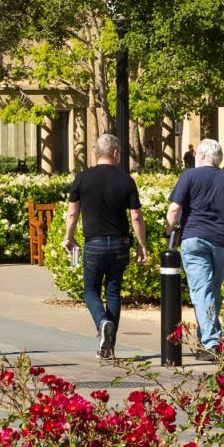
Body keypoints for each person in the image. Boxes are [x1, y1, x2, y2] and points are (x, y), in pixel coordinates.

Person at [63, 134, 148, 359]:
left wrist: (68, 238)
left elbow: (72, 212)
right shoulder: (126, 181)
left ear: (96, 153)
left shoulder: (82, 178)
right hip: (120, 243)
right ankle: (108, 347)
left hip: (94, 243)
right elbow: (136, 216)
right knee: (113, 291)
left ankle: (102, 323)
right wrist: (142, 245)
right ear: (116, 153)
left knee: (90, 291)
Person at [165, 139, 224, 357]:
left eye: (195, 155)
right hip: (222, 242)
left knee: (203, 292)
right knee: (211, 291)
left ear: (202, 155)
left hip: (194, 238)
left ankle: (212, 343)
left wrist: (168, 232)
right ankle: (208, 339)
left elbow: (174, 209)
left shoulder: (189, 176)